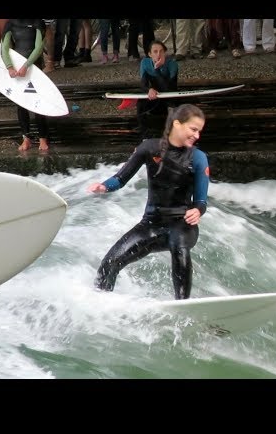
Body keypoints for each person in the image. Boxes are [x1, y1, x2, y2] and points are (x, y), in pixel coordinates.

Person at [86, 103, 209, 300]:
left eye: (199, 131)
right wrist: (104, 186)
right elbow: (120, 178)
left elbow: (201, 200)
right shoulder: (149, 148)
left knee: (179, 248)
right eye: (193, 129)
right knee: (109, 264)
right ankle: (99, 304)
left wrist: (197, 211)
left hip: (183, 225)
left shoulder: (198, 158)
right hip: (151, 223)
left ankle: (183, 304)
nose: (197, 135)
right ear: (177, 124)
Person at [0, 19, 50, 151]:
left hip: (35, 67)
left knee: (37, 103)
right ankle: (26, 138)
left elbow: (39, 47)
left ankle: (43, 138)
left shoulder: (38, 22)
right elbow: (4, 47)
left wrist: (27, 65)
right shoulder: (10, 23)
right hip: (17, 67)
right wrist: (10, 66)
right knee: (21, 104)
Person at [136, 39, 179, 139]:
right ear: (150, 54)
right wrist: (149, 90)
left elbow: (170, 88)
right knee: (140, 103)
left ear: (165, 53)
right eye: (155, 51)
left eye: (161, 51)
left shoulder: (172, 64)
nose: (158, 54)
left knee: (173, 106)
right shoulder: (145, 63)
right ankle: (145, 136)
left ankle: (171, 135)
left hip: (169, 96)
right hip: (155, 96)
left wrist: (157, 70)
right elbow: (143, 84)